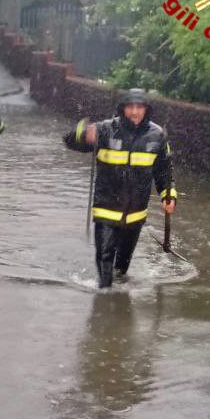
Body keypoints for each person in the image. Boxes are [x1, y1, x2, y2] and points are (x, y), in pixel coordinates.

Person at [65, 88, 177, 288]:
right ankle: (106, 300)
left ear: (146, 110)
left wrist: (168, 196)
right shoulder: (104, 130)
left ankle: (117, 302)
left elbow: (163, 172)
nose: (134, 112)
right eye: (130, 107)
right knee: (105, 257)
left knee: (122, 267)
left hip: (135, 214)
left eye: (139, 107)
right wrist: (82, 134)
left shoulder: (157, 135)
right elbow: (70, 142)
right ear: (122, 109)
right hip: (106, 208)